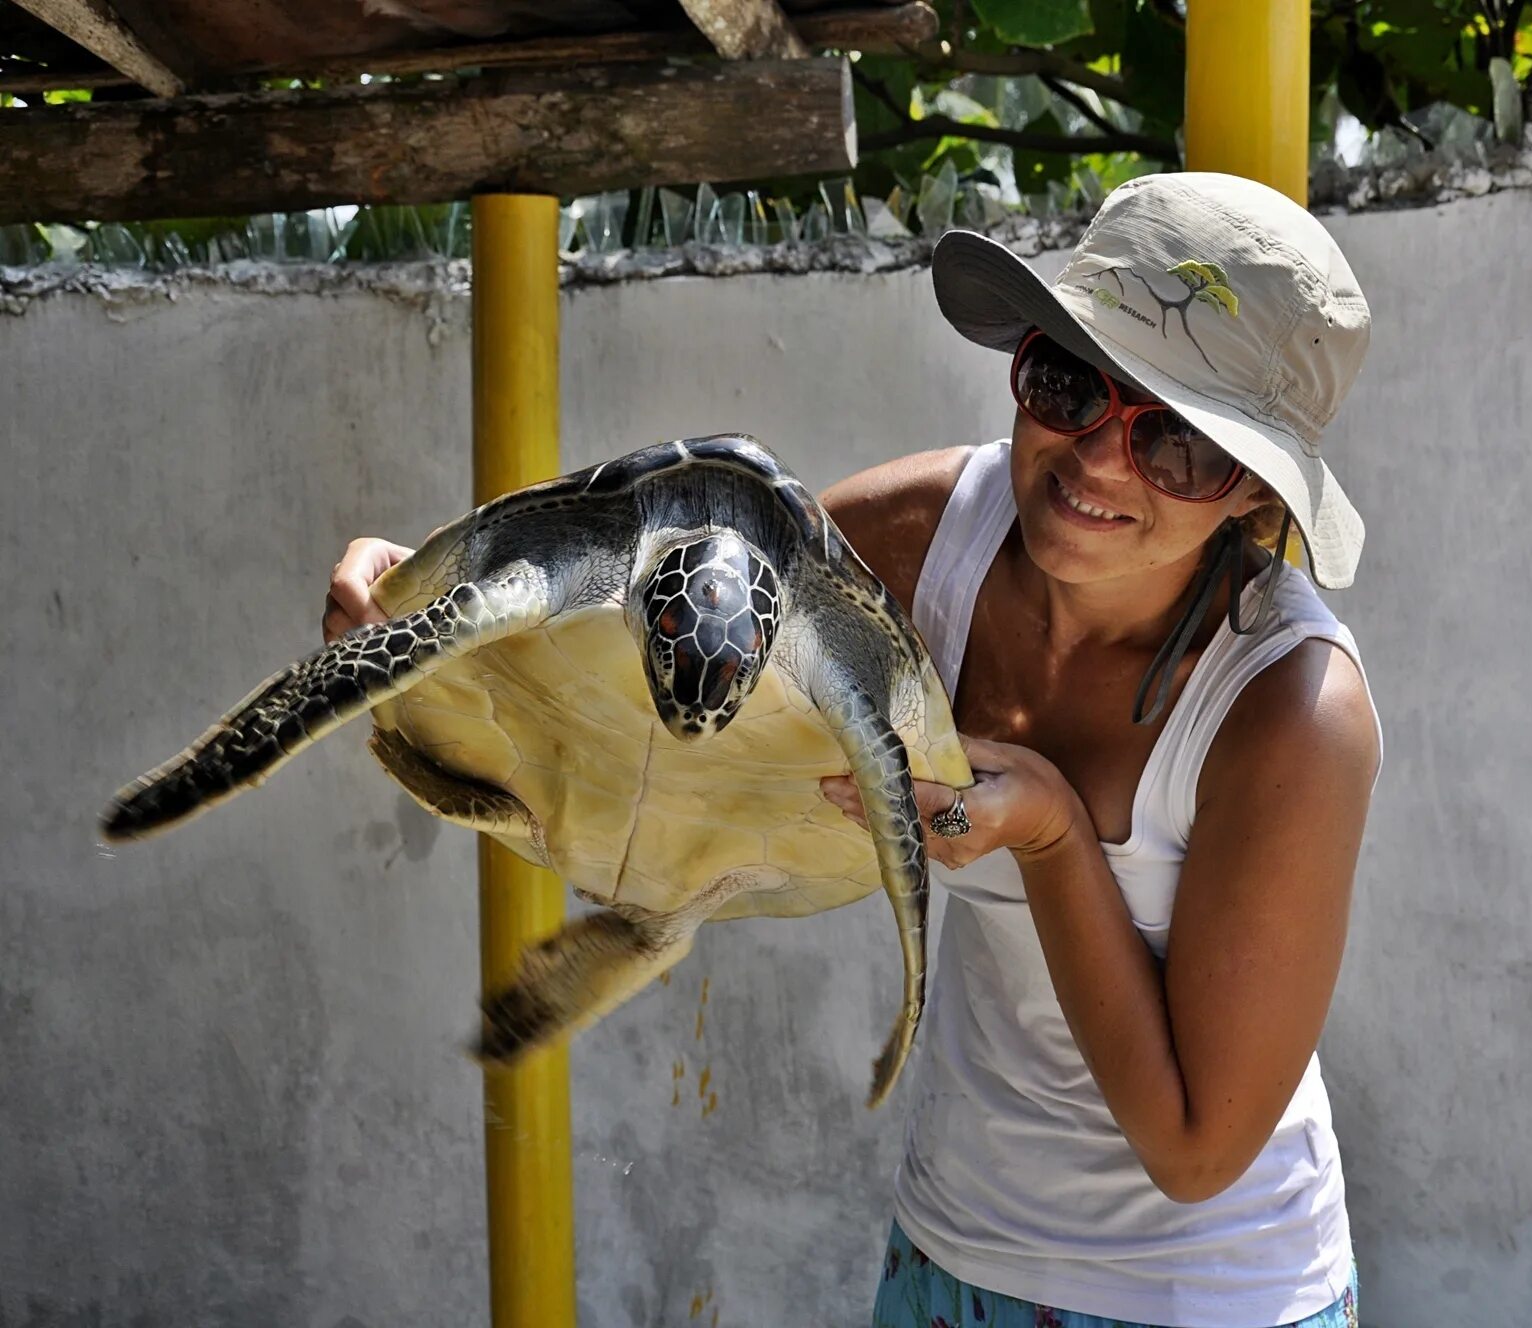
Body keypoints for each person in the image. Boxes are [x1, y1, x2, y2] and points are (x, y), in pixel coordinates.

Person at [323, 172, 1381, 1328]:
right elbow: (660, 713)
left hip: (1206, 1292)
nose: (1097, 460)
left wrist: (1054, 838)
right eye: (1069, 382)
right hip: (946, 1250)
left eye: (1177, 445)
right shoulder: (927, 539)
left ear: (1251, 495)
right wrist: (423, 625)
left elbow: (1195, 1146)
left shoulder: (1288, 709)